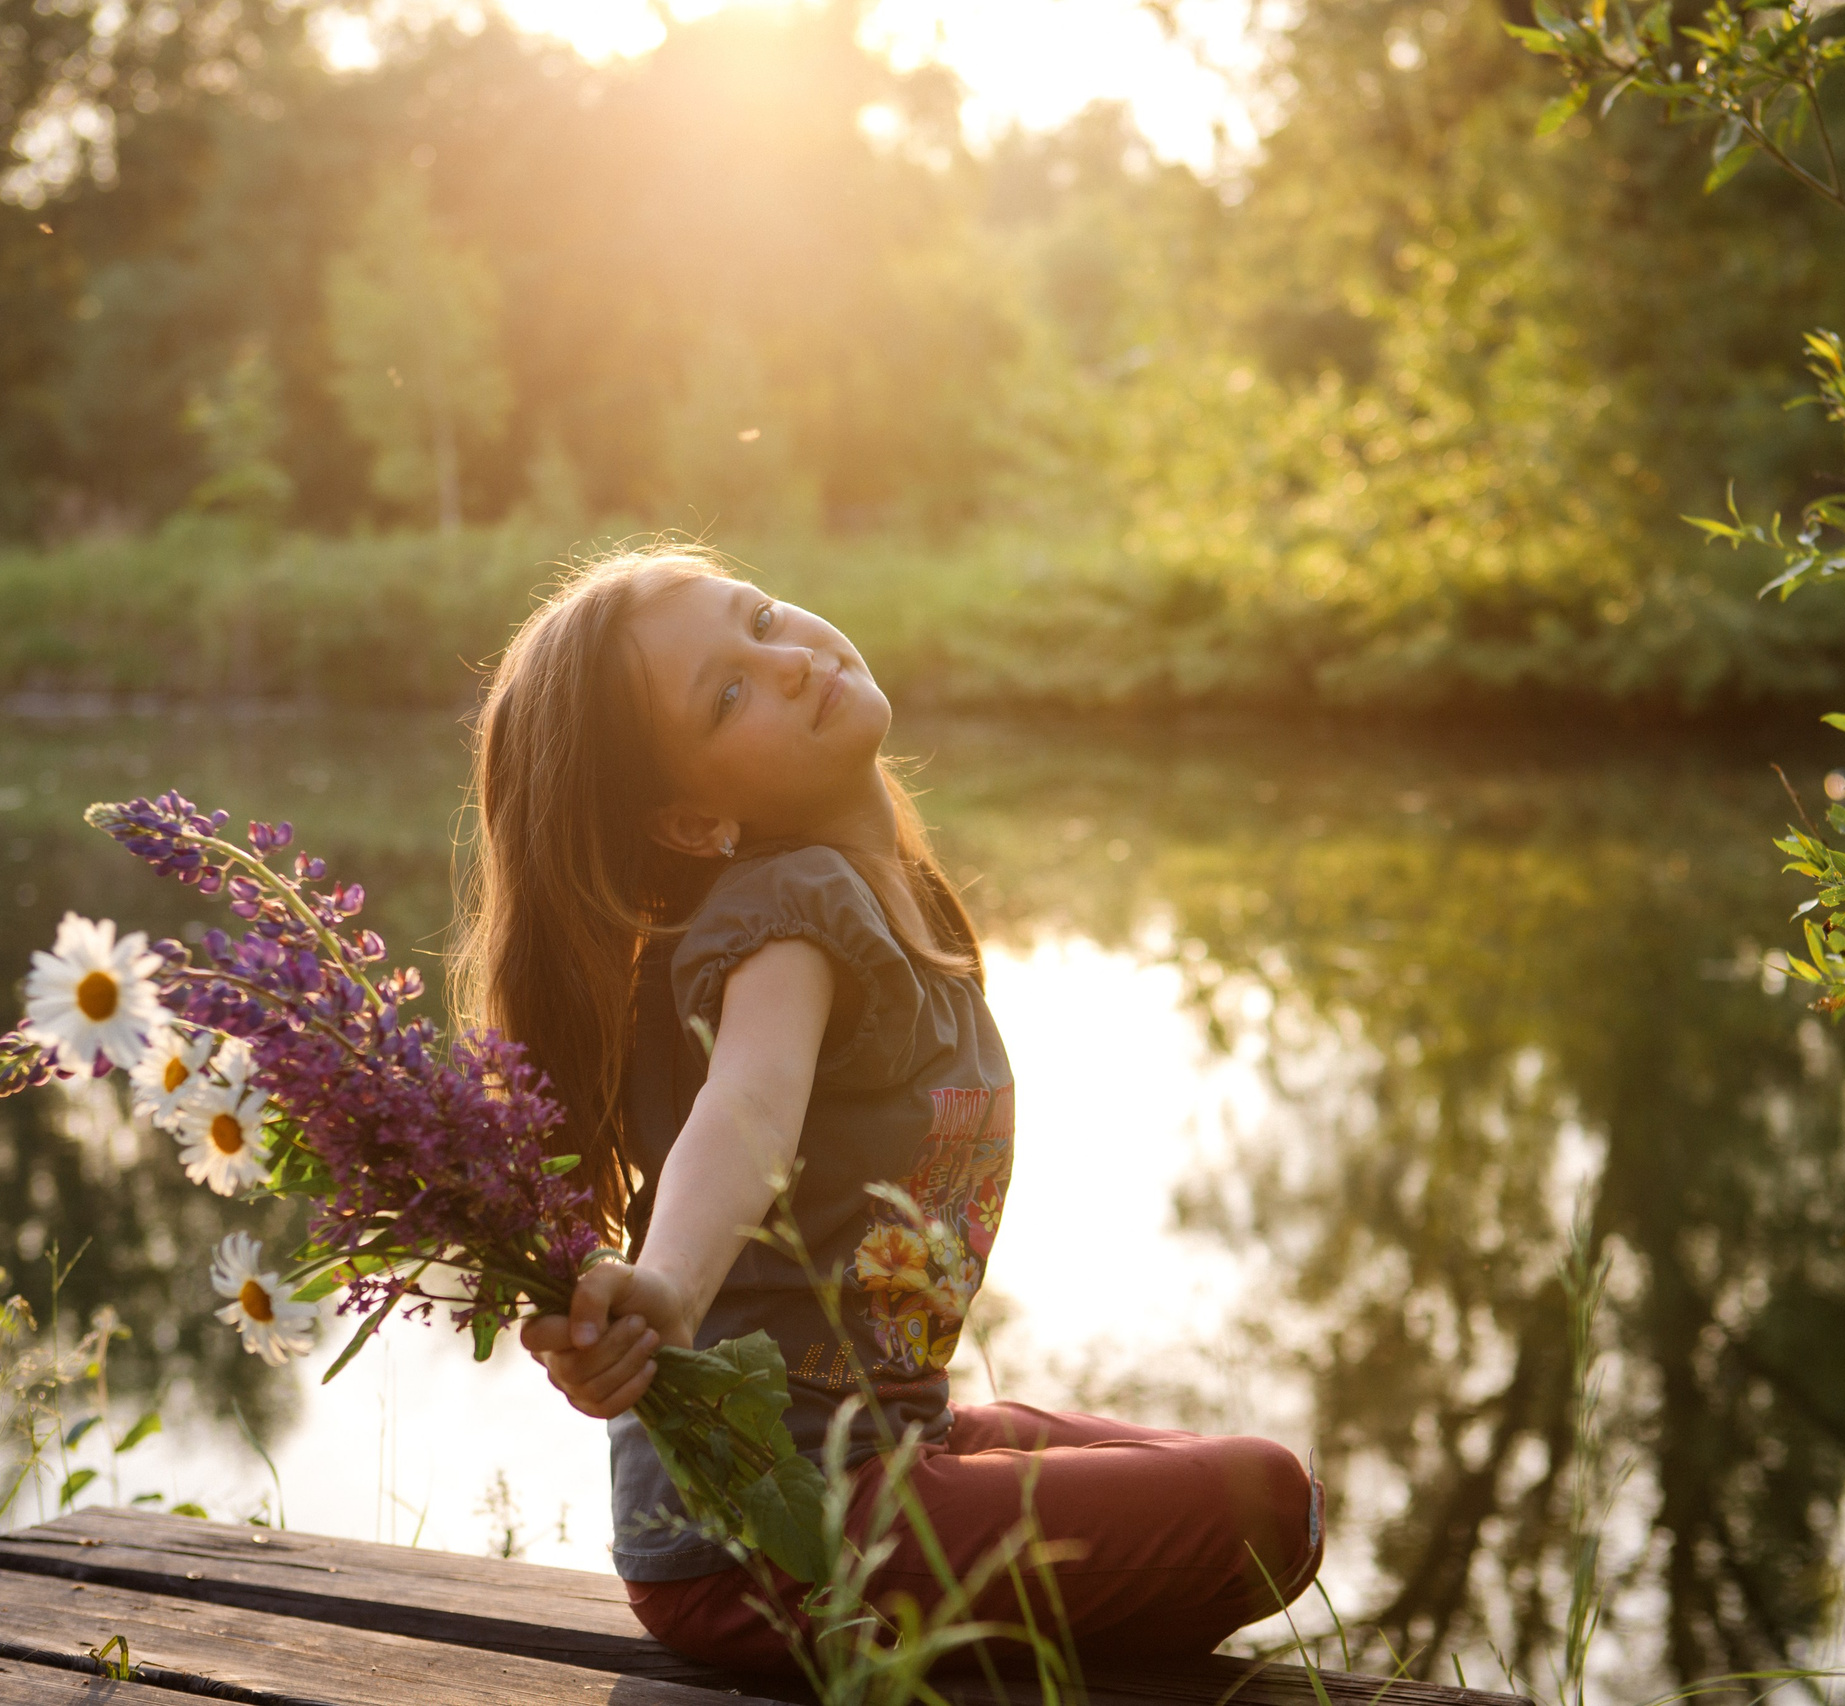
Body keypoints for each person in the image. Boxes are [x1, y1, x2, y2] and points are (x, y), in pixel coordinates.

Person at [460, 546, 1322, 1669]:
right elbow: (747, 1108)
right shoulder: (785, 912)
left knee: (1235, 1484)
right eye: (726, 694)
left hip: (881, 1443)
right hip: (773, 1537)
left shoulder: (883, 895)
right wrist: (665, 1287)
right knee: (1264, 1507)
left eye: (762, 617)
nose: (786, 660)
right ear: (688, 819)